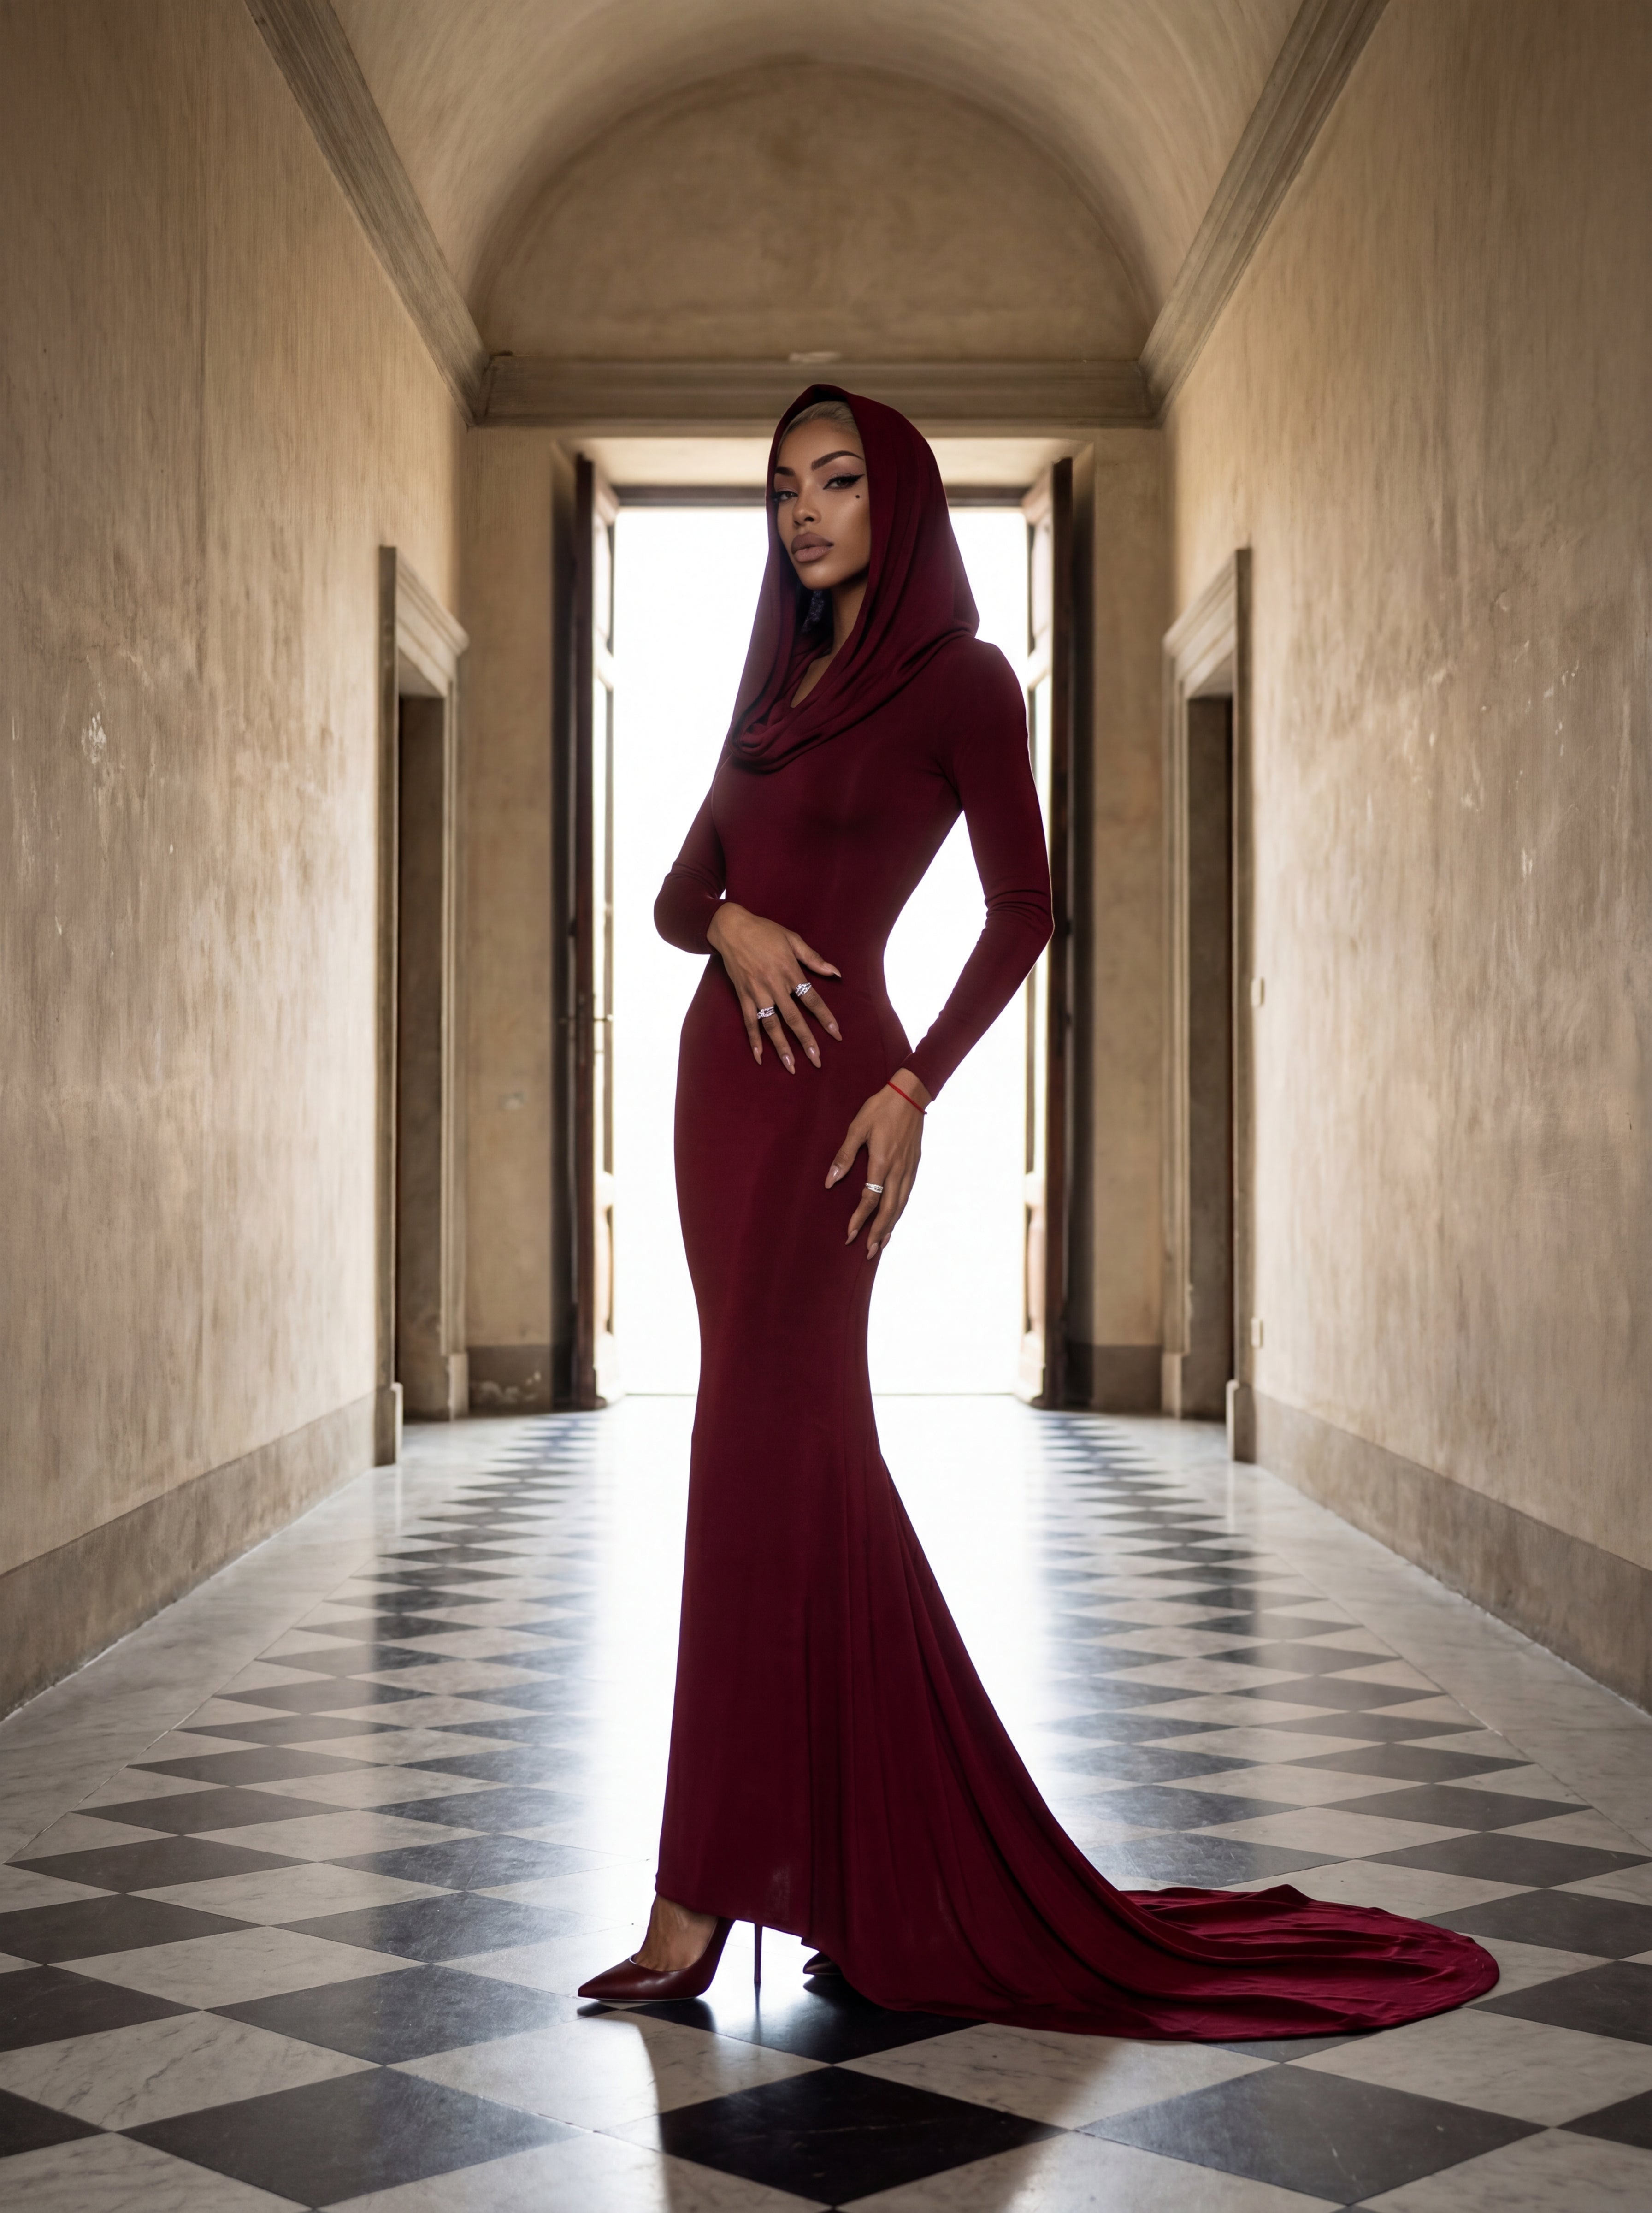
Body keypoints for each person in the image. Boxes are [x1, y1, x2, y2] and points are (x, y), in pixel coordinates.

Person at [578, 387, 1497, 2035]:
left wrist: (914, 1086)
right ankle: (850, 1866)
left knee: (770, 1458)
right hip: (721, 1096)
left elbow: (1026, 907)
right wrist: (733, 930)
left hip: (838, 1108)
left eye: (838, 482)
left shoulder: (963, 681)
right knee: (784, 1462)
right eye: (784, 489)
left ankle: (702, 1893)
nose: (805, 513)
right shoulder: (772, 684)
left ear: (900, 499)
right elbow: (672, 893)